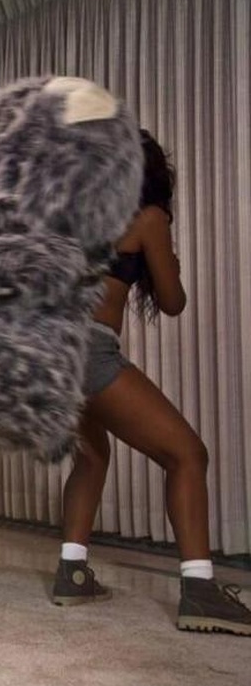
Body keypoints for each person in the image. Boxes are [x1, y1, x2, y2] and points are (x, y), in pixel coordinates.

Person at [53, 129, 250, 635]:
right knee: (188, 455)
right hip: (86, 349)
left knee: (91, 457)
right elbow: (172, 301)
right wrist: (170, 266)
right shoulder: (147, 219)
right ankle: (200, 590)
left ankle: (72, 573)